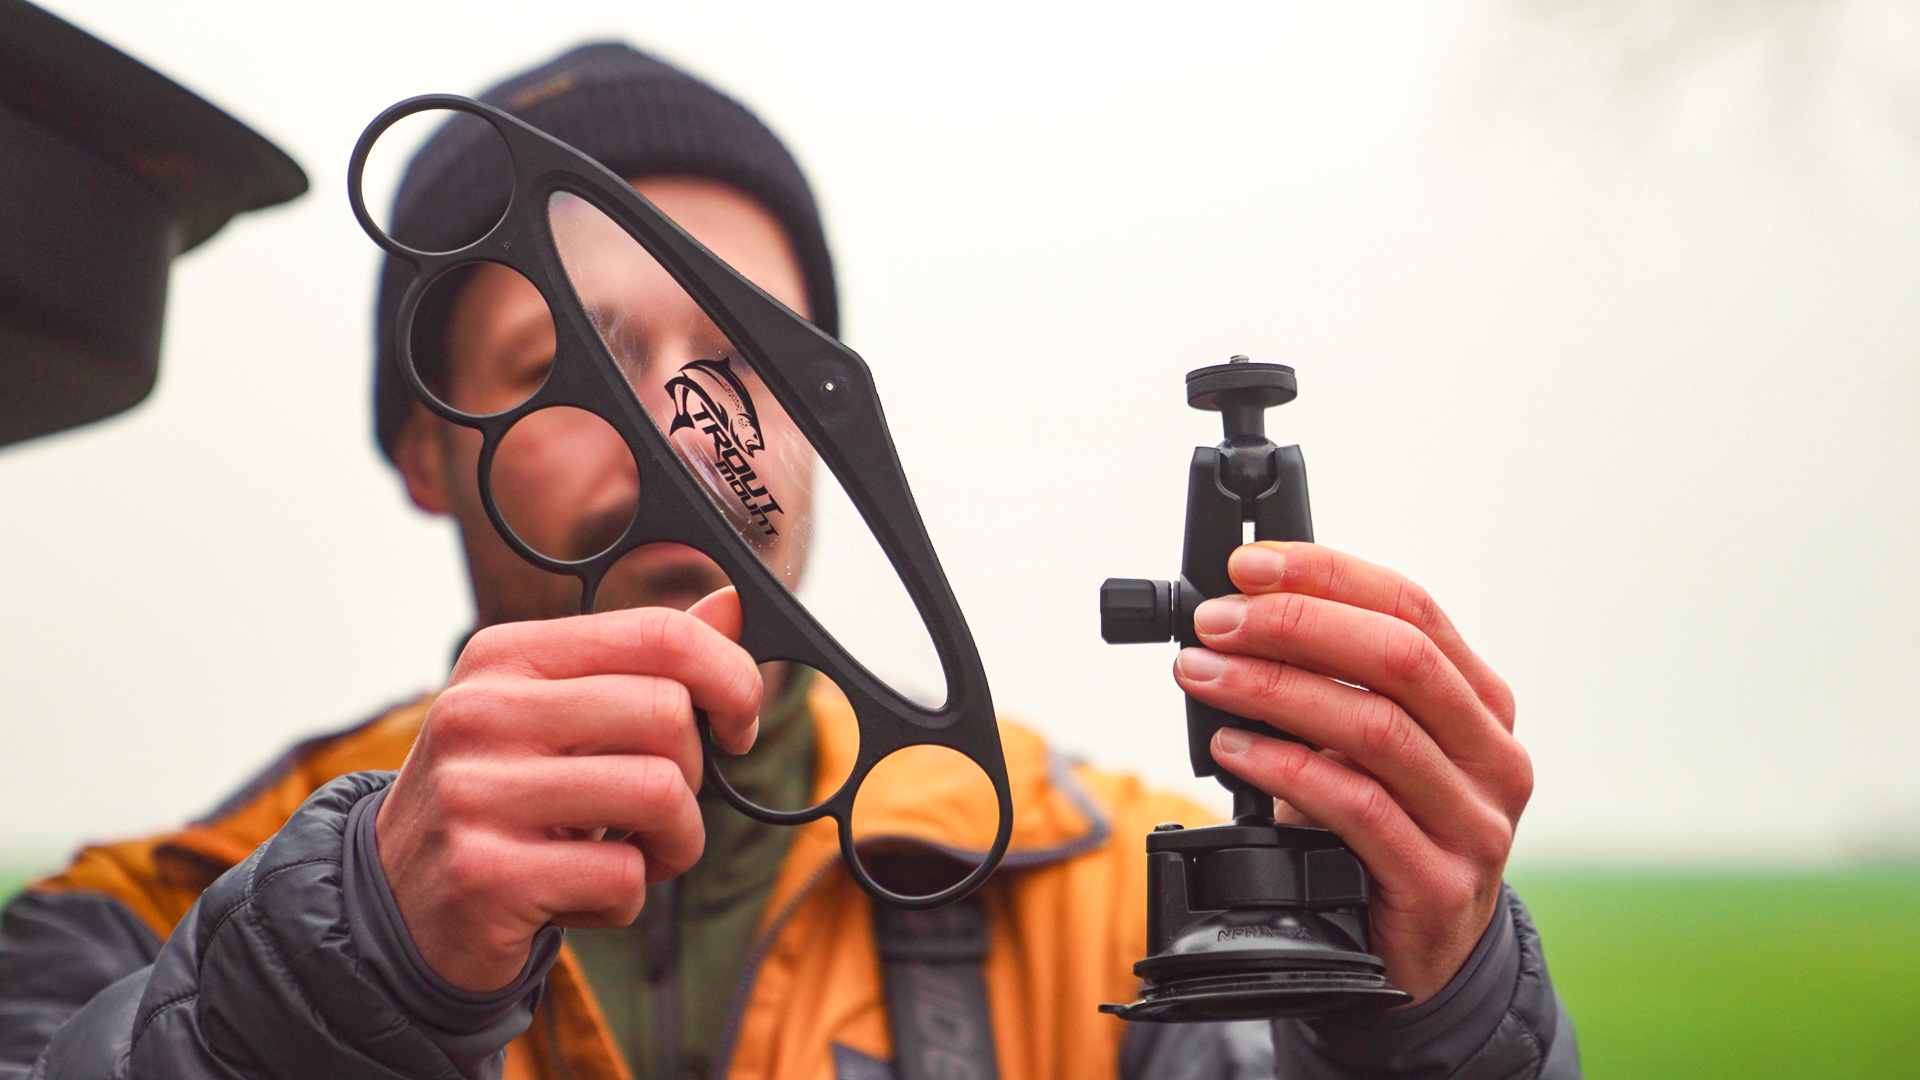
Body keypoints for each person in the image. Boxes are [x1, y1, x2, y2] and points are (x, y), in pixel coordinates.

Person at [0, 43, 1578, 1080]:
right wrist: (333, 977)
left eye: (743, 360)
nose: (681, 435)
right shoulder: (149, 925)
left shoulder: (1109, 905)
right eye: (569, 366)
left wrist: (1440, 1014)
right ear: (431, 448)